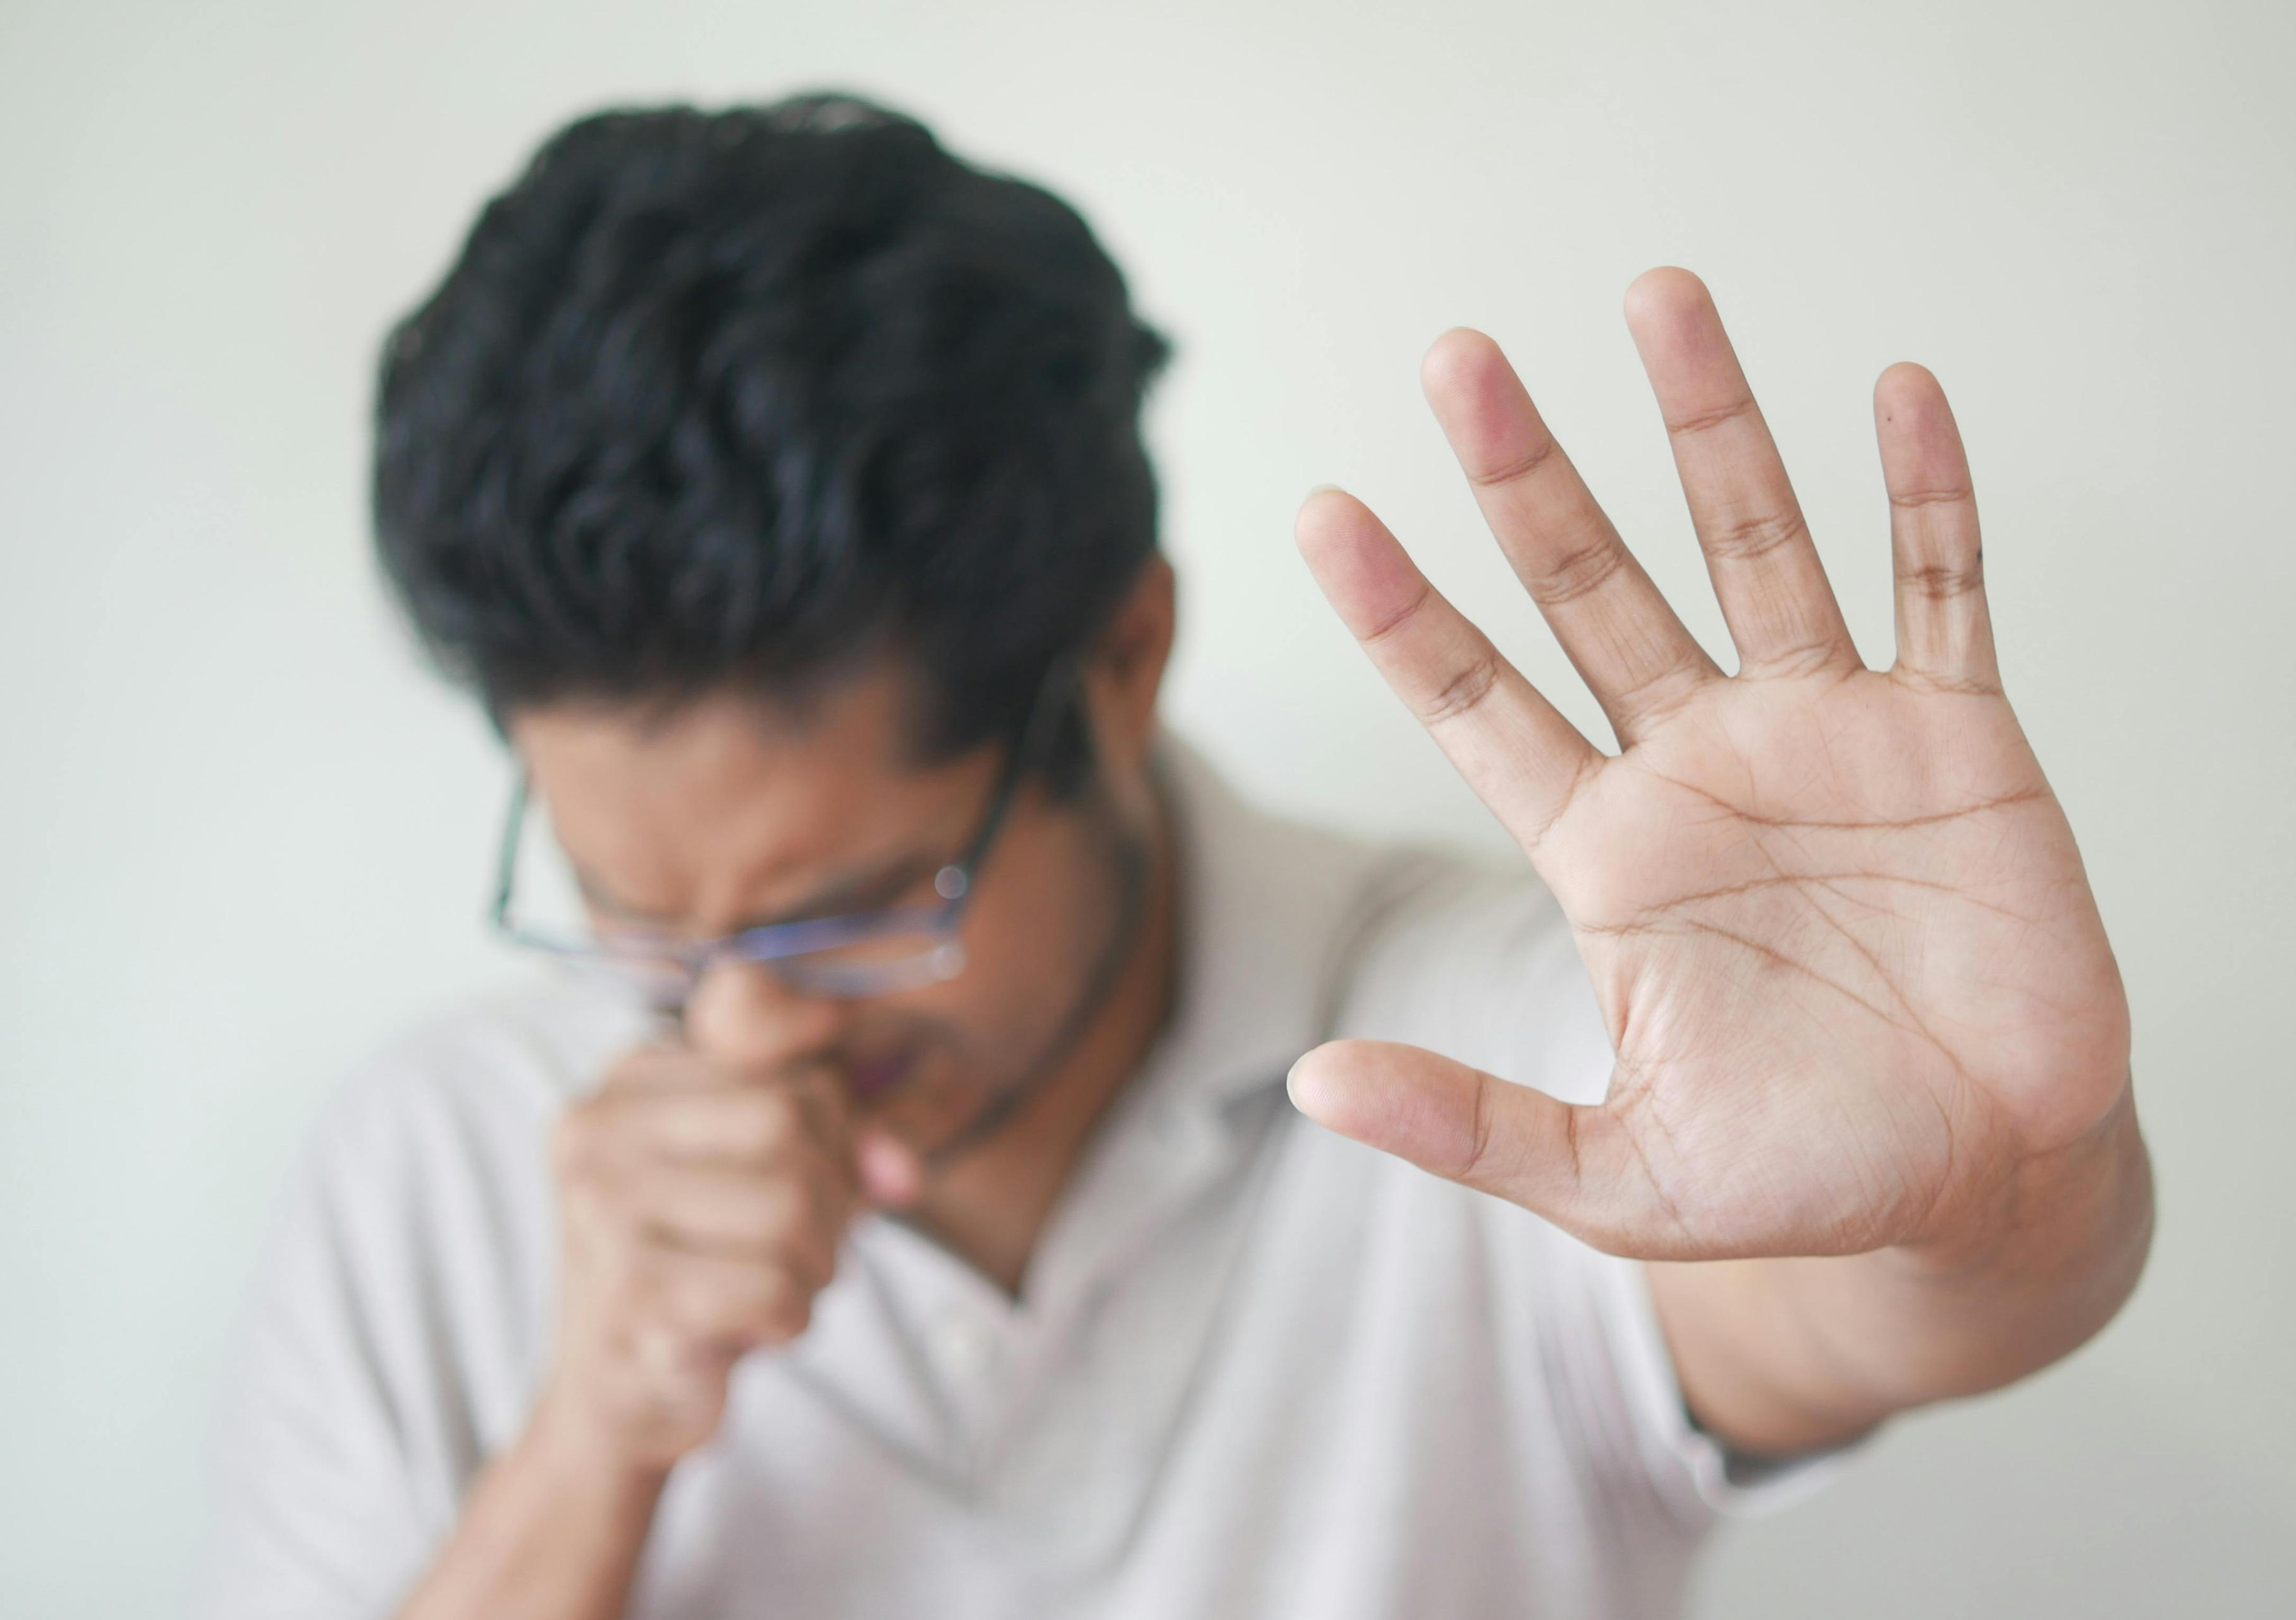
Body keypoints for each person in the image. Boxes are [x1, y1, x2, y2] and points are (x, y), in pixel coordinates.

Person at [197, 93, 2152, 1620]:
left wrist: (1991, 1193)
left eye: (858, 910)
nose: (743, 1023)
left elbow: (1866, 1302)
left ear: (1122, 662)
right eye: (631, 917)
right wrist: (587, 1448)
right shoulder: (434, 1164)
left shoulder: (1501, 1035)